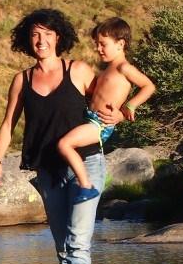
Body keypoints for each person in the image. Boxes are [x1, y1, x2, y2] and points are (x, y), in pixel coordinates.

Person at [0, 8, 124, 264]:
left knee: (78, 241)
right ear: (27, 39)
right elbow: (9, 123)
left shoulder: (77, 70)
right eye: (35, 35)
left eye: (48, 34)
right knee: (64, 244)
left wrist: (121, 114)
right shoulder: (21, 80)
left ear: (59, 37)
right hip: (47, 169)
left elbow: (106, 100)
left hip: (86, 163)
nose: (41, 41)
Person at [57, 17, 156, 203]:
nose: (98, 48)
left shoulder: (124, 67)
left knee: (65, 144)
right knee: (62, 140)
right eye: (96, 44)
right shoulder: (108, 69)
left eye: (103, 44)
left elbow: (149, 86)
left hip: (100, 124)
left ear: (120, 44)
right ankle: (58, 179)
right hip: (90, 119)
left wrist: (129, 107)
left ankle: (87, 187)